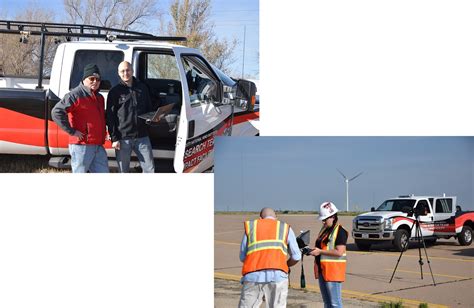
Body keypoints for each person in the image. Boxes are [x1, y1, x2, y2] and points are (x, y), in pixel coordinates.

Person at [239, 207, 301, 308]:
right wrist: (285, 264)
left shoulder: (251, 226)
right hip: (277, 276)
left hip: (253, 276)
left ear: (260, 218)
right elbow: (296, 256)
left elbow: (242, 256)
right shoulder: (285, 227)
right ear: (276, 217)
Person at [51, 63, 109, 173]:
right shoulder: (75, 95)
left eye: (98, 79)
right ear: (84, 79)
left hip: (98, 145)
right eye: (91, 78)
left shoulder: (100, 97)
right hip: (81, 146)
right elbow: (56, 112)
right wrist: (72, 131)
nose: (95, 82)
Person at [106, 61, 155, 173]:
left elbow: (149, 108)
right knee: (123, 171)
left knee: (150, 169)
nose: (125, 73)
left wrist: (152, 118)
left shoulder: (142, 88)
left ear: (132, 70)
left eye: (128, 70)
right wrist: (114, 138)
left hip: (142, 136)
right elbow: (110, 117)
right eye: (122, 71)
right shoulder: (114, 92)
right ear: (118, 73)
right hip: (123, 138)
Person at [308, 202, 348, 308]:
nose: (323, 222)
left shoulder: (340, 231)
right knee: (327, 303)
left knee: (335, 304)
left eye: (325, 219)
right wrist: (313, 251)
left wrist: (320, 252)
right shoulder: (325, 230)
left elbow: (339, 252)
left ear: (333, 217)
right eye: (322, 219)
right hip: (323, 271)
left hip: (333, 272)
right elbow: (323, 247)